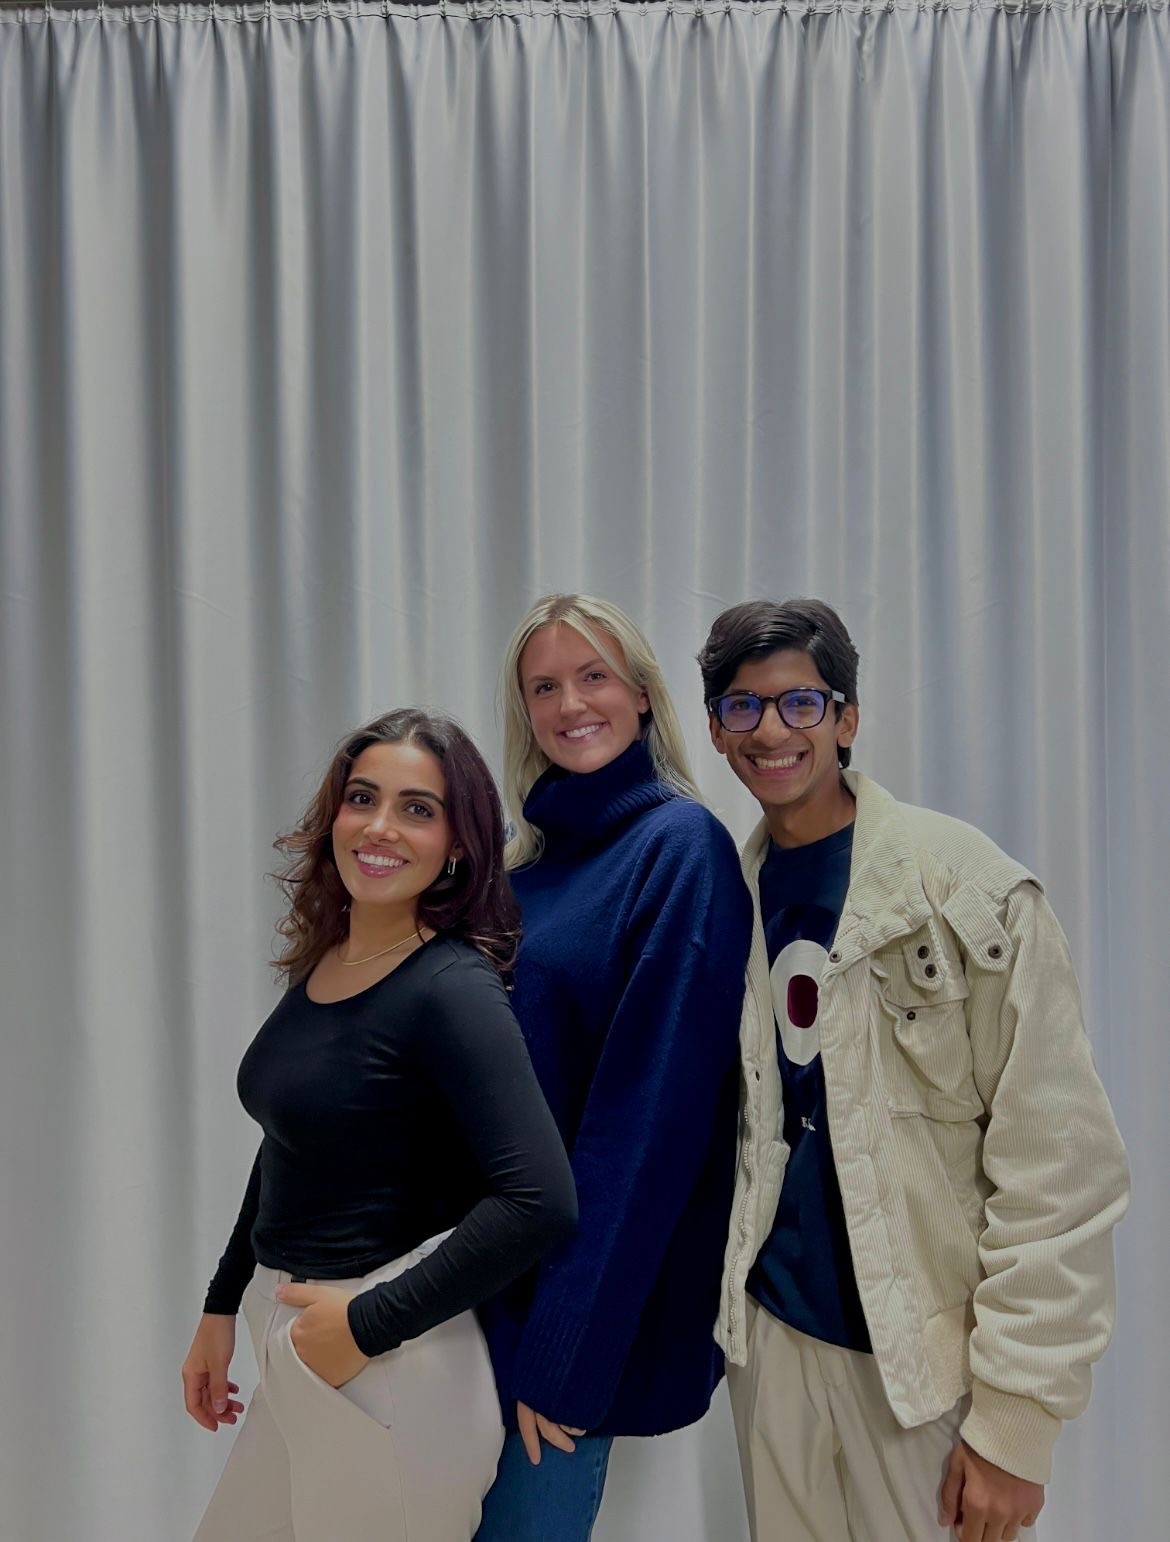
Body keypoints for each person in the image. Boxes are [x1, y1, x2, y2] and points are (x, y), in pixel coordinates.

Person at [698, 597, 1130, 1542]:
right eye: (742, 707)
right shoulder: (726, 897)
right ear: (718, 732)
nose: (772, 730)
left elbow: (1061, 1167)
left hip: (923, 1367)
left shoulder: (967, 889)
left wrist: (1018, 1421)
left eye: (801, 703)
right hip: (774, 1342)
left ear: (847, 720)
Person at [182, 708, 577, 1542]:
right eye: (363, 797)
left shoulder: (452, 989)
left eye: (418, 808)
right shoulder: (333, 957)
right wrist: (223, 1304)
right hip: (300, 1339)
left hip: (393, 1368)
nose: (380, 826)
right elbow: (292, 1142)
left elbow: (540, 1199)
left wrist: (364, 1326)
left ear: (460, 844)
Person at [473, 594, 752, 1542]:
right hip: (461, 1300)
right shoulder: (518, 878)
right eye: (544, 686)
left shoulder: (680, 850)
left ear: (640, 694)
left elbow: (649, 1126)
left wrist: (565, 1349)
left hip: (559, 1320)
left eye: (593, 676)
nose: (570, 704)